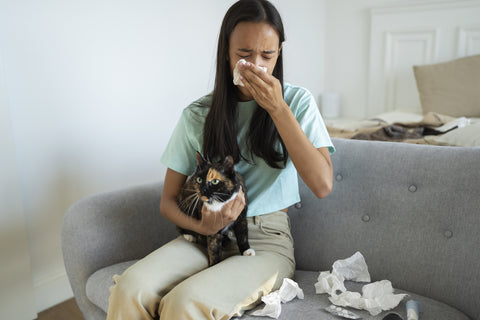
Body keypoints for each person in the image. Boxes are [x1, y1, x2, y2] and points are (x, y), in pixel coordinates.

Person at [106, 0, 334, 319]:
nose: (256, 65)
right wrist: (202, 223)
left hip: (265, 241)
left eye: (267, 56)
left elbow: (323, 185)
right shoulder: (199, 114)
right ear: (225, 53)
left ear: (279, 53)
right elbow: (168, 202)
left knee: (183, 303)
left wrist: (277, 109)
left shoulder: (297, 102)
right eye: (244, 55)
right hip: (205, 236)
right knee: (131, 289)